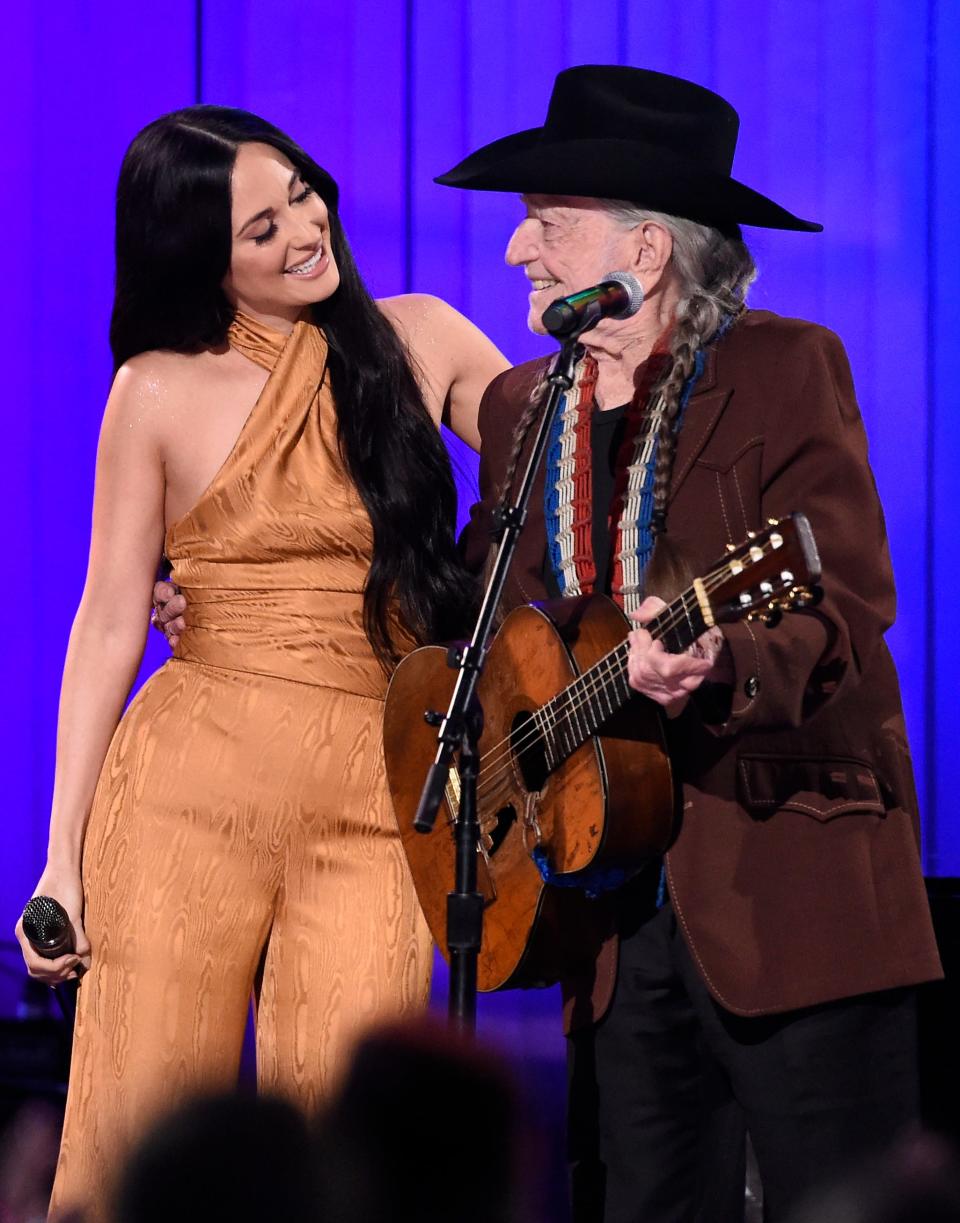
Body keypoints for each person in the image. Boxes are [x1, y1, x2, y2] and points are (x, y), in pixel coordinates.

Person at [436, 66, 943, 1221]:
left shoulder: (783, 369)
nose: (521, 252)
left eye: (546, 225)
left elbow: (846, 599)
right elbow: (485, 612)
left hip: (787, 883)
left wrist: (723, 661)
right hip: (611, 914)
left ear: (647, 251)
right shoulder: (524, 409)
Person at [14, 105, 507, 1221]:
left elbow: (553, 471)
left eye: (301, 192)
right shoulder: (154, 387)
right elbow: (104, 621)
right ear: (204, 260)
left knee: (352, 1145)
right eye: (259, 227)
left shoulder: (420, 336)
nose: (303, 228)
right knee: (137, 1123)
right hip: (185, 792)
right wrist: (60, 860)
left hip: (382, 793)